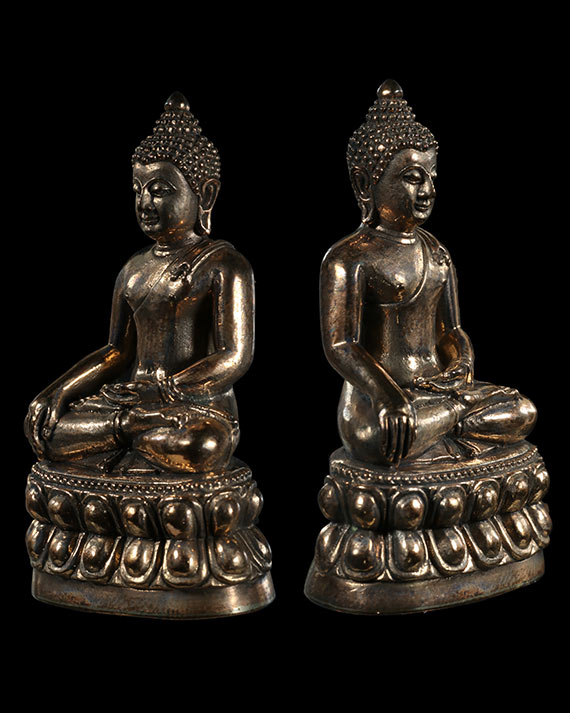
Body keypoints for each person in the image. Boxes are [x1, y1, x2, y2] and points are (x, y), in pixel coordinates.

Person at [24, 93, 253, 474]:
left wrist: (166, 389)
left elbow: (234, 356)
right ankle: (129, 432)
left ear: (206, 193)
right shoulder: (134, 268)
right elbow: (116, 351)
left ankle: (128, 436)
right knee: (47, 428)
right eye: (138, 190)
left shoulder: (224, 265)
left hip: (191, 408)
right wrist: (58, 390)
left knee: (202, 446)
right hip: (131, 404)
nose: (145, 203)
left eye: (160, 190)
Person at [321, 80, 536, 467]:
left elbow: (451, 331)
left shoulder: (436, 252)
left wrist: (462, 364)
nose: (428, 190)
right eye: (412, 177)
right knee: (379, 439)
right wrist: (388, 395)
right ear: (365, 183)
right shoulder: (350, 258)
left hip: (438, 393)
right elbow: (342, 346)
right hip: (380, 404)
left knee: (522, 410)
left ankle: (447, 426)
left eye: (432, 176)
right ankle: (451, 431)